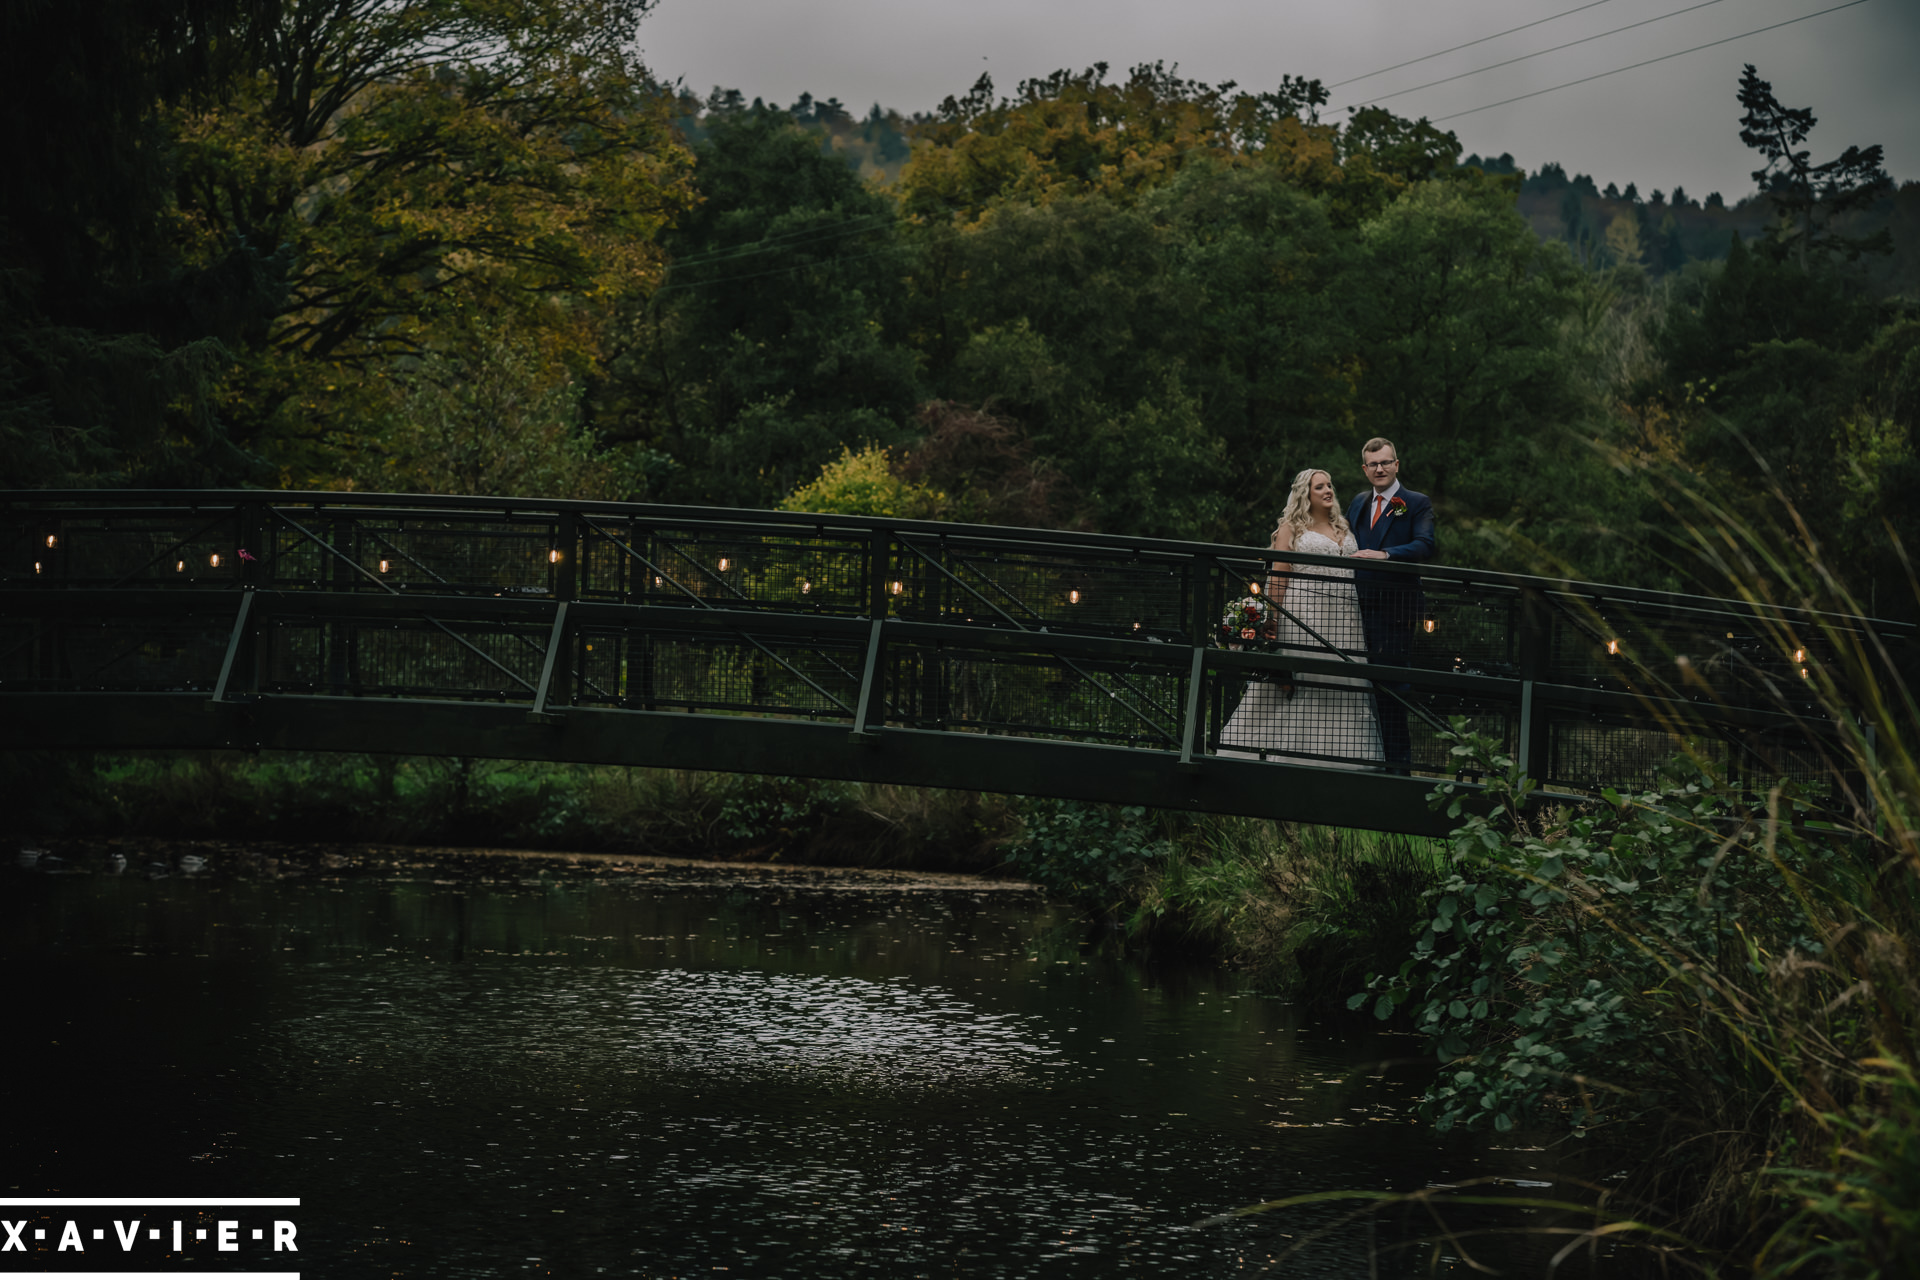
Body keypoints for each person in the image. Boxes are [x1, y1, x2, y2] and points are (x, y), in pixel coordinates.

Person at [1218, 469, 1383, 769]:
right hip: (1306, 613)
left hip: (1344, 617)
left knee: (1343, 681)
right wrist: (1272, 618)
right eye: (1319, 486)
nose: (1327, 490)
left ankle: (1342, 761)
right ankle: (1282, 760)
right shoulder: (1290, 528)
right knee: (1307, 680)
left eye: (1330, 484)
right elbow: (1279, 575)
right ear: (1305, 494)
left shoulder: (1343, 526)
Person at [1344, 438, 1436, 773]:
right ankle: (1365, 761)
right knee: (1355, 685)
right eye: (1373, 464)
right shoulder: (1357, 502)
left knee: (1390, 689)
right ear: (1364, 469)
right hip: (1353, 609)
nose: (1379, 469)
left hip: (1394, 611)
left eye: (1385, 462)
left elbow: (1425, 545)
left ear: (1397, 464)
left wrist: (1385, 555)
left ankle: (1398, 770)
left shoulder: (1413, 503)